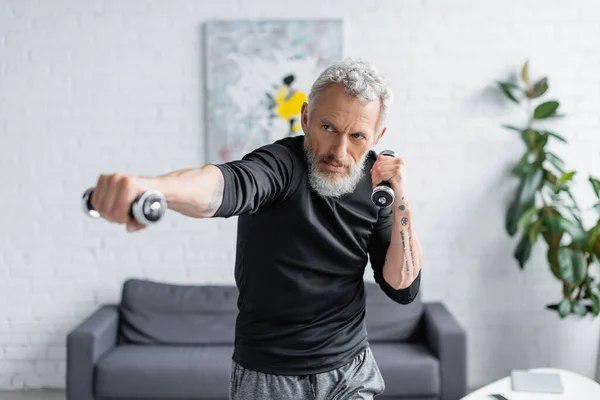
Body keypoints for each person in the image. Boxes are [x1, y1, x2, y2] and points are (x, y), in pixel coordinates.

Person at [90, 57, 423, 400]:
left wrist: (402, 201)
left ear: (377, 137)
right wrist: (152, 188)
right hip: (270, 375)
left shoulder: (377, 185)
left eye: (357, 136)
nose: (340, 151)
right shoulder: (280, 165)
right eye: (328, 128)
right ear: (306, 118)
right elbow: (226, 185)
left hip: (350, 371)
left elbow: (402, 287)